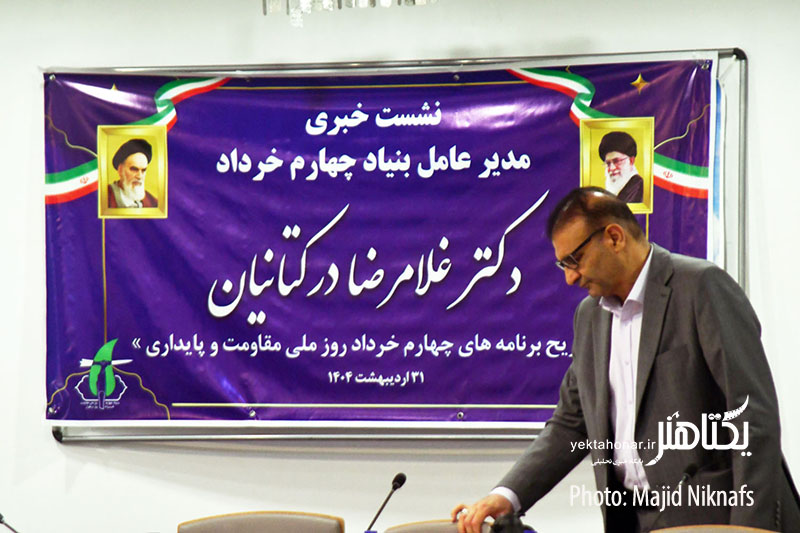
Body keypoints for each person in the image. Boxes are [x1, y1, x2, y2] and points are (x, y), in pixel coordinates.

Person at [451, 187, 800, 532]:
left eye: (574, 260)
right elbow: (570, 423)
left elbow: (752, 414)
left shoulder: (701, 287)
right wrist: (507, 496)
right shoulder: (589, 317)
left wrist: (749, 527)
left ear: (614, 237)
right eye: (563, 265)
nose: (570, 277)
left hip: (716, 519)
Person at [108, 138, 158, 208]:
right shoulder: (105, 196)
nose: (139, 176)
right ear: (120, 170)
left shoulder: (153, 203)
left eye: (143, 170)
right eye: (134, 169)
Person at [598, 131, 643, 203]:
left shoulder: (639, 189)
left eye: (617, 161)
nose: (612, 168)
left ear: (631, 160)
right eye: (608, 163)